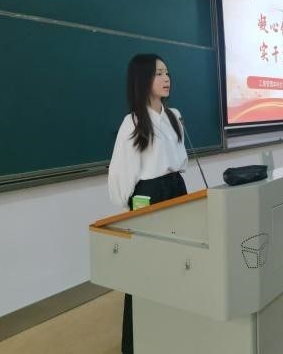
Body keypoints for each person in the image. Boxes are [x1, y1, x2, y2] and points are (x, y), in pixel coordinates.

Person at [108, 53, 188, 354]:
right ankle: (137, 342)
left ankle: (175, 333)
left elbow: (180, 159)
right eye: (158, 73)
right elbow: (121, 175)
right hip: (150, 197)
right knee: (146, 270)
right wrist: (131, 208)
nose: (166, 78)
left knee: (180, 265)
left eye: (167, 72)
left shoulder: (174, 116)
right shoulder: (132, 123)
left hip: (177, 190)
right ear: (143, 79)